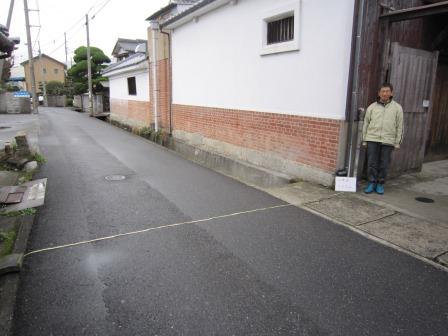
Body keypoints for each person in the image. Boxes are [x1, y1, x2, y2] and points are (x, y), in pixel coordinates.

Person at [362, 83, 404, 195]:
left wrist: (397, 142)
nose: (385, 93)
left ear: (391, 93)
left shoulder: (397, 108)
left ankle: (380, 183)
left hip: (388, 140)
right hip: (372, 138)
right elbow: (366, 124)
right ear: (379, 93)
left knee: (384, 163)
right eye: (383, 91)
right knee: (371, 163)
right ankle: (371, 182)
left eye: (387, 91)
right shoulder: (372, 107)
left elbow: (400, 126)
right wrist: (364, 139)